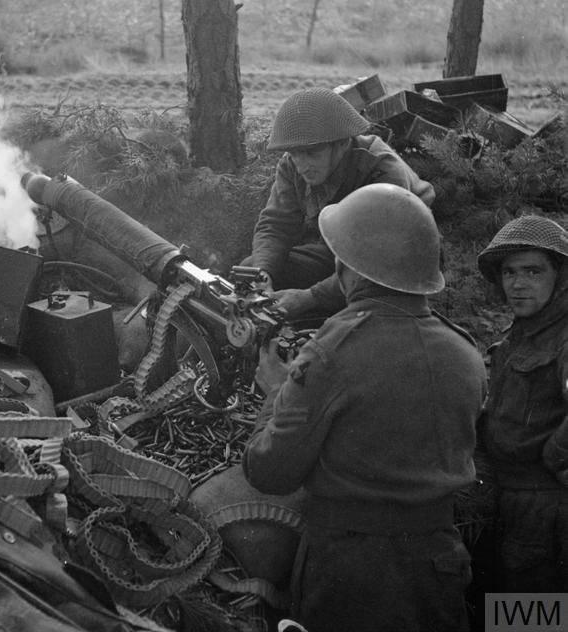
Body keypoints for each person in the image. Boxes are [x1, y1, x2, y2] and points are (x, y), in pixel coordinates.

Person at [242, 183, 487, 632]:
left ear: (350, 267)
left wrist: (276, 392)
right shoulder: (465, 352)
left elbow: (268, 471)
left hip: (351, 576)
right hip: (440, 567)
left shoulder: (335, 349)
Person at [242, 86, 435, 319]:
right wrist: (262, 272)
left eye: (312, 153)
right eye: (294, 154)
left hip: (398, 254)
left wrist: (310, 297)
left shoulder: (381, 171)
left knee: (363, 301)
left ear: (342, 143)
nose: (301, 164)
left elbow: (376, 261)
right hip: (337, 245)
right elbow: (276, 224)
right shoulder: (292, 163)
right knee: (251, 269)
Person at [476, 214, 568, 591]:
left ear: (560, 277)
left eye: (533, 272)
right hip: (508, 504)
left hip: (544, 512)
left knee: (531, 620)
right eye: (510, 273)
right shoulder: (520, 334)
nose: (518, 284)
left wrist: (557, 455)